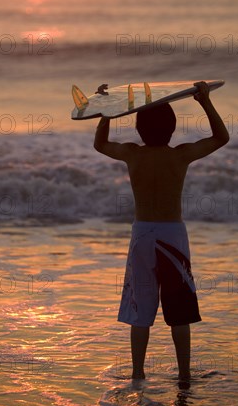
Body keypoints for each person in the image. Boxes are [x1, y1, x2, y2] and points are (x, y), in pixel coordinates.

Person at [94, 81, 229, 386]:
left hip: (142, 234)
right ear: (172, 128)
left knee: (141, 308)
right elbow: (222, 137)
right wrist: (204, 102)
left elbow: (100, 145)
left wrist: (108, 113)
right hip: (172, 236)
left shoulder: (132, 154)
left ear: (140, 129)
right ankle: (184, 375)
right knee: (179, 308)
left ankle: (138, 373)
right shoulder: (180, 155)